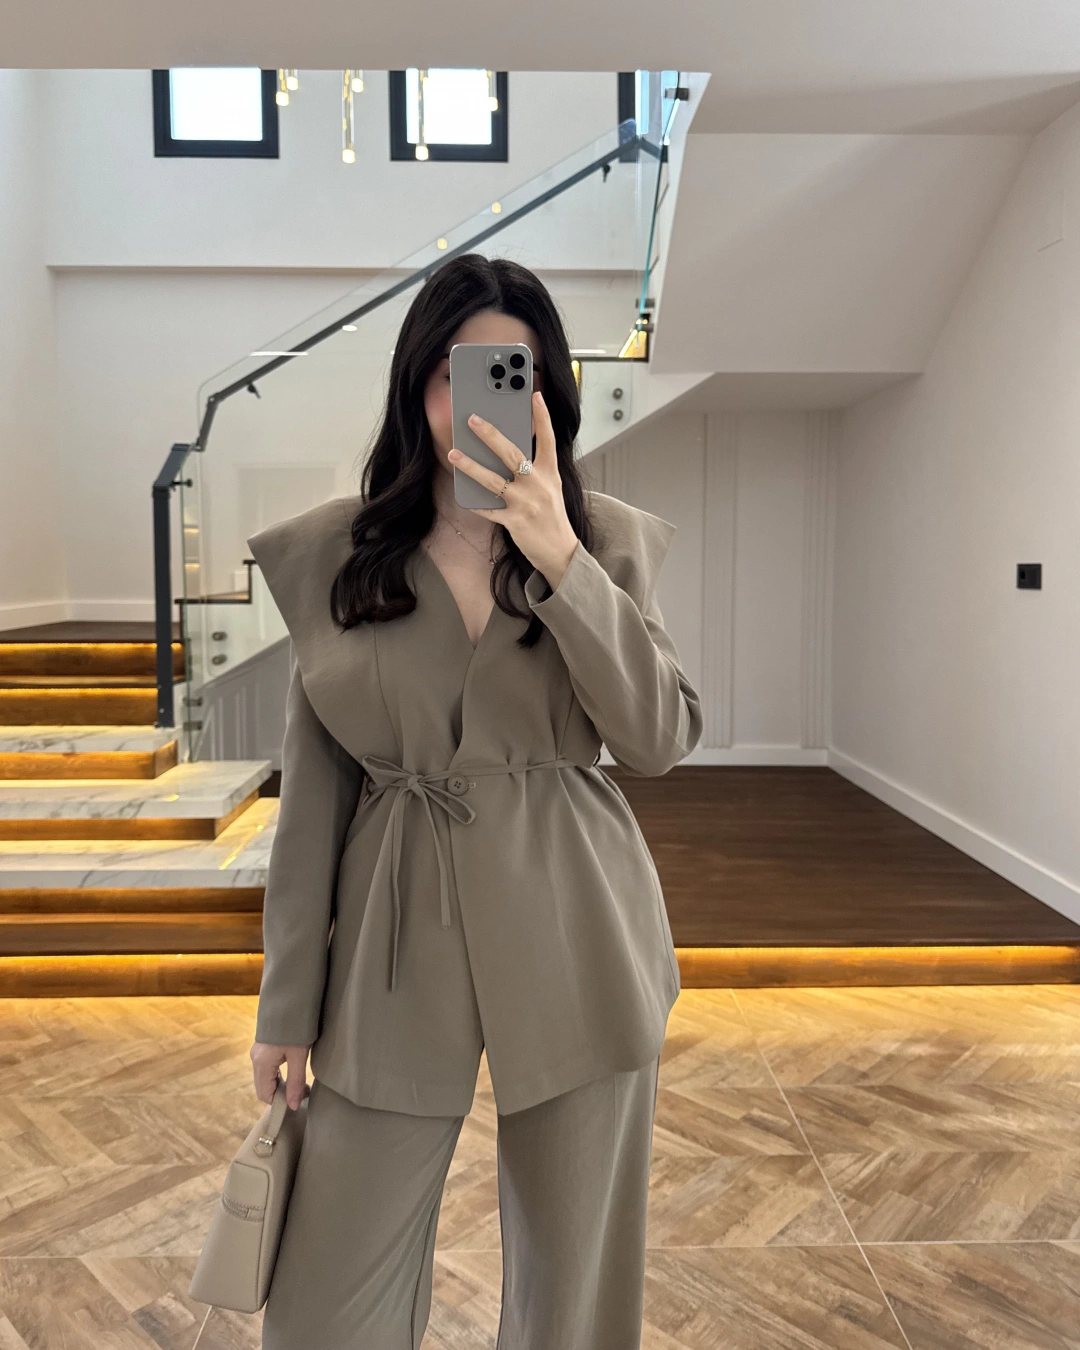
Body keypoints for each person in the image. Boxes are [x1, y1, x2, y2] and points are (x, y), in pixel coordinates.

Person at [245, 252, 703, 1349]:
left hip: (576, 925)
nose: (477, 400)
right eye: (455, 373)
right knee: (327, 1297)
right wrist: (284, 1006)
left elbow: (656, 738)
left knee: (575, 1296)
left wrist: (560, 559)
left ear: (546, 394)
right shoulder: (341, 556)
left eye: (511, 372)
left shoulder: (604, 543)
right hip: (394, 939)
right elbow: (313, 803)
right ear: (418, 384)